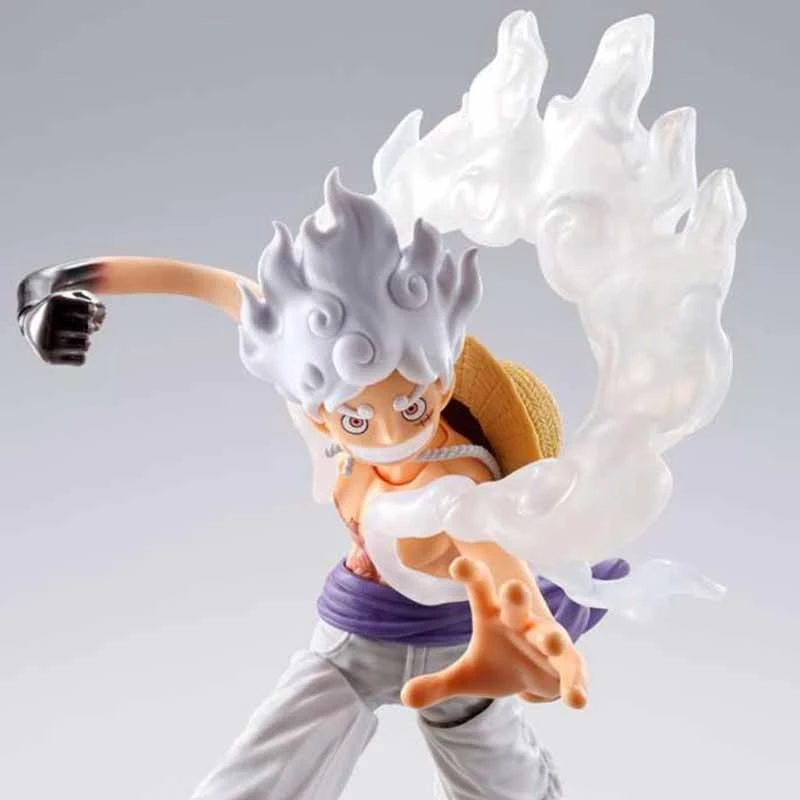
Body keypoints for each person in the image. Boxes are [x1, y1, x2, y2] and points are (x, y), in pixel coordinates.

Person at [16, 170, 629, 800]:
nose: (389, 432)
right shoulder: (321, 392)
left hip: (462, 649)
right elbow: (208, 284)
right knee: (255, 775)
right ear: (319, 412)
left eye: (412, 406)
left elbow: (484, 544)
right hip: (358, 635)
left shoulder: (458, 475)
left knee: (506, 784)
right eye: (357, 418)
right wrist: (49, 288)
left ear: (442, 383)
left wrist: (524, 619)